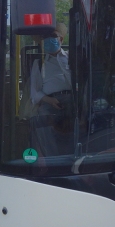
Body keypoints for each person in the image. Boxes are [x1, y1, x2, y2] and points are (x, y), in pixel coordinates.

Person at [29, 24, 72, 155]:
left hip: (72, 99)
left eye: (53, 36)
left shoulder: (72, 58)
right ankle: (51, 157)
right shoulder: (39, 63)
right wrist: (50, 100)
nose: (50, 39)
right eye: (46, 37)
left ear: (61, 39)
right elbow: (34, 92)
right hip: (50, 101)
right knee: (41, 119)